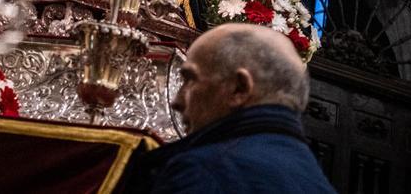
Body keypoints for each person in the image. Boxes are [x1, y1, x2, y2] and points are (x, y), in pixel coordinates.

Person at [117, 23, 336, 193]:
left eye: (190, 80)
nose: (177, 101)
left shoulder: (202, 171)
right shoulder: (319, 185)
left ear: (239, 89)